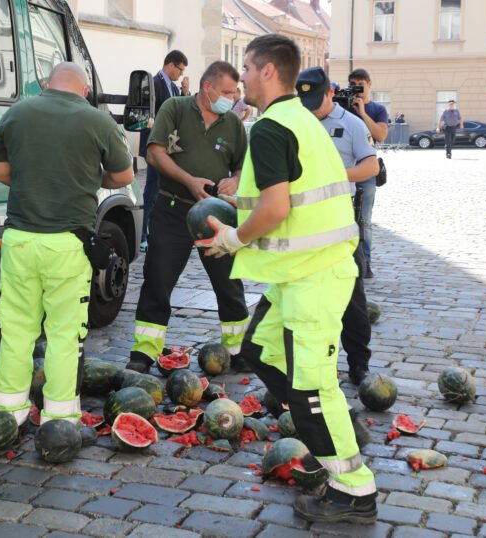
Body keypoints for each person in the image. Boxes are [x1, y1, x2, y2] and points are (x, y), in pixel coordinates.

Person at [196, 34, 378, 524]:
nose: (242, 80)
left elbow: (275, 210)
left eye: (248, 70)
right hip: (300, 275)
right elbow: (288, 198)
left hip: (314, 278)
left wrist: (234, 239)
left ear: (268, 72)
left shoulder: (273, 127)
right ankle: (326, 428)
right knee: (258, 352)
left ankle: (353, 491)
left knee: (311, 389)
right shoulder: (302, 118)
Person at [0, 63, 134, 425]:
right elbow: (124, 175)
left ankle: (9, 409)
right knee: (64, 334)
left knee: (17, 329)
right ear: (85, 90)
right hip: (68, 245)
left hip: (19, 240)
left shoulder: (17, 112)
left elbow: (0, 172)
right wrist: (83, 178)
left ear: (46, 84)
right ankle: (59, 416)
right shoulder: (96, 120)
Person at [125, 61, 251, 374]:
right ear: (207, 87)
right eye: (225, 91)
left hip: (217, 214)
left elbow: (241, 166)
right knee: (158, 279)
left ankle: (237, 350)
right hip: (173, 208)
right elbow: (154, 153)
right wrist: (188, 181)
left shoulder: (233, 124)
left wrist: (235, 179)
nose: (231, 97)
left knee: (229, 283)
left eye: (235, 92)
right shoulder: (175, 108)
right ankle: (145, 351)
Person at [297, 67, 379, 386]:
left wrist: (335, 173)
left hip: (340, 221)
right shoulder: (299, 121)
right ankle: (312, 360)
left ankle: (359, 363)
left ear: (330, 93)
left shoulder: (353, 124)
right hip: (303, 223)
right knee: (305, 295)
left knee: (352, 297)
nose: (312, 107)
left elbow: (371, 165)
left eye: (317, 100)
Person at [139, 50, 189, 252]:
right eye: (180, 69)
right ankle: (142, 235)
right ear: (170, 65)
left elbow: (181, 114)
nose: (181, 74)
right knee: (151, 191)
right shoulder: (153, 83)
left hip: (170, 149)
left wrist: (185, 93)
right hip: (155, 146)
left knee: (163, 192)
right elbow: (148, 114)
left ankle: (157, 232)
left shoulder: (175, 90)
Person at [347, 68, 388, 279]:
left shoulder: (377, 109)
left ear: (369, 84)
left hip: (367, 171)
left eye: (360, 85)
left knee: (364, 220)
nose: (357, 89)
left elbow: (380, 134)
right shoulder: (342, 106)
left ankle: (365, 264)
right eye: (353, 84)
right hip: (344, 169)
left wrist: (362, 113)